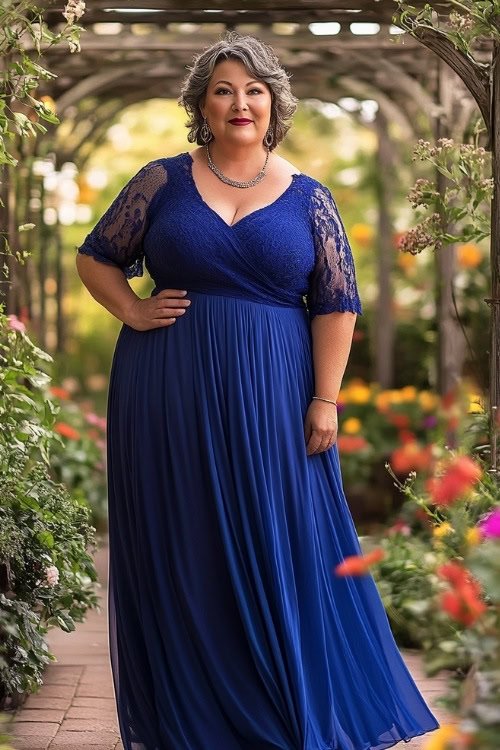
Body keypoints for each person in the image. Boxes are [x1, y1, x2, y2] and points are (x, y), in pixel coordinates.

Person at [76, 30, 440, 750]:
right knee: (183, 537)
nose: (240, 102)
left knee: (285, 536)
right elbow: (97, 258)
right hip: (167, 385)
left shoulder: (310, 196)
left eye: (254, 90)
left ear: (274, 104)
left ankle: (281, 703)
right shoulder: (160, 180)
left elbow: (337, 304)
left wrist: (325, 398)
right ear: (201, 106)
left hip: (277, 387)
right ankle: (192, 713)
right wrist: (132, 310)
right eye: (223, 89)